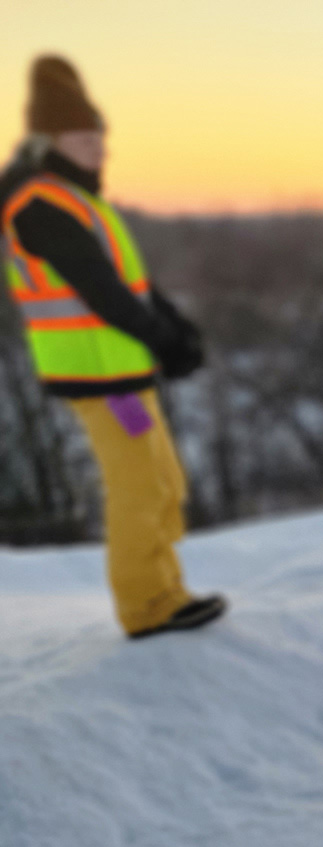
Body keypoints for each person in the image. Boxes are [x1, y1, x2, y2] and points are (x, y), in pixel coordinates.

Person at [2, 55, 223, 638]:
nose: (99, 146)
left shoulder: (81, 199)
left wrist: (177, 326)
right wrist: (165, 343)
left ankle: (168, 592)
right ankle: (147, 607)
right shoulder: (40, 206)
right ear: (49, 140)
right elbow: (100, 292)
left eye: (100, 135)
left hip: (122, 369)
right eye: (83, 136)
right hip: (96, 375)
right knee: (138, 486)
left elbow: (130, 284)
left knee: (165, 482)